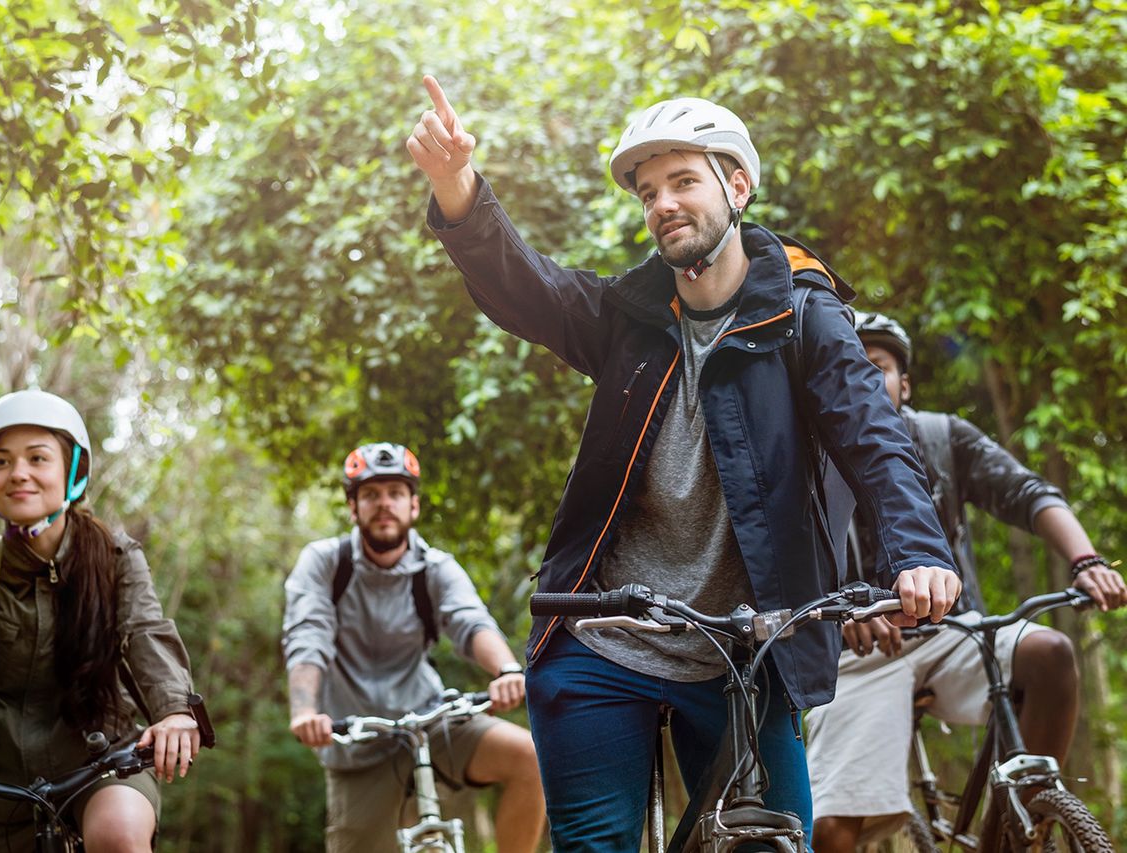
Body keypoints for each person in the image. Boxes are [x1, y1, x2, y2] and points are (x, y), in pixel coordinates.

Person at [406, 76, 962, 850]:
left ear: (737, 186)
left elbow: (872, 436)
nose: (663, 203)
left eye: (684, 181)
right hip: (600, 642)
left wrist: (920, 552)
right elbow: (528, 291)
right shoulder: (627, 315)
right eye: (649, 192)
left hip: (743, 651)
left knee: (776, 839)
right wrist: (456, 185)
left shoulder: (805, 315)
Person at [805, 312, 1127, 852]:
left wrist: (1085, 561)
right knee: (833, 830)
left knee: (1050, 653)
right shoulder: (808, 455)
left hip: (954, 632)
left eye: (878, 367)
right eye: (848, 365)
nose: (862, 377)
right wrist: (834, 619)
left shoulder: (940, 437)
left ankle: (1019, 828)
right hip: (862, 653)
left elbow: (1028, 493)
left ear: (904, 384)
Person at [0, 389, 200, 853]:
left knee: (118, 836)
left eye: (37, 458)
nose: (18, 473)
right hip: (6, 788)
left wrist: (173, 712)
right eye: (2, 462)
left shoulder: (115, 558)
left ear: (72, 473)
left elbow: (145, 632)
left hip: (105, 767)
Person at [281, 442, 545, 853]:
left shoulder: (435, 567)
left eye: (395, 493)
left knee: (531, 757)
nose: (383, 504)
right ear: (353, 508)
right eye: (370, 494)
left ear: (414, 505)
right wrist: (304, 711)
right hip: (356, 743)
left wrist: (508, 671)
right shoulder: (324, 563)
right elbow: (307, 637)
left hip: (430, 722)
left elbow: (470, 621)